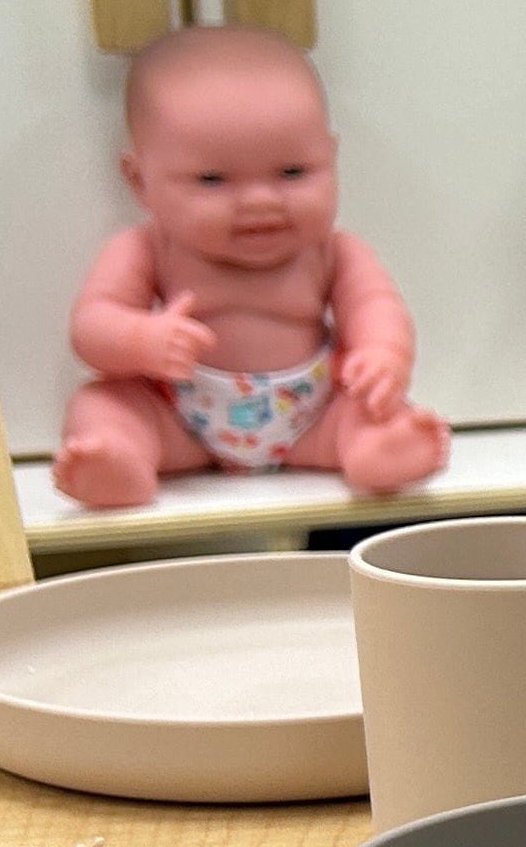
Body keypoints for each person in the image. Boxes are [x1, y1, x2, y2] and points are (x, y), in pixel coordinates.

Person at [49, 26, 451, 509]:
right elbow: (92, 324)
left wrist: (383, 355)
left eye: (293, 173)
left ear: (331, 157)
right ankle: (122, 460)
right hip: (177, 415)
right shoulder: (144, 248)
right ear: (140, 181)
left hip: (312, 414)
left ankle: (375, 453)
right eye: (213, 180)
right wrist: (141, 339)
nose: (261, 201)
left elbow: (375, 305)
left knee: (366, 410)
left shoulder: (334, 251)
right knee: (100, 404)